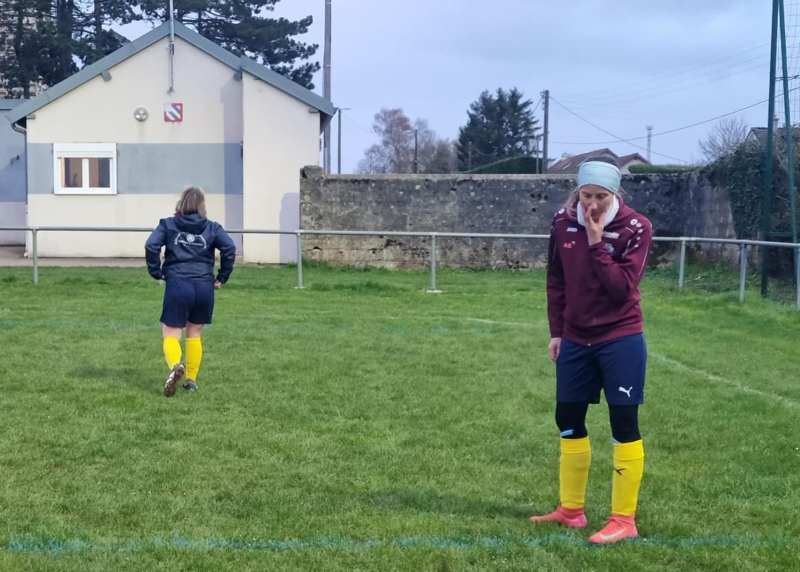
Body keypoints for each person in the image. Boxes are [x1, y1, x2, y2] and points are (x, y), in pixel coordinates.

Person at [530, 159, 652, 544]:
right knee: (567, 417)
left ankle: (624, 520)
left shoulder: (637, 227)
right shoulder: (562, 222)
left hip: (620, 336)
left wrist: (597, 242)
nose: (593, 204)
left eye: (601, 196)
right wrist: (557, 332)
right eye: (587, 196)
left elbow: (622, 289)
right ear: (577, 192)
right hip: (575, 337)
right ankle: (571, 510)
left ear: (615, 194)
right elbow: (556, 280)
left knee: (623, 423)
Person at [145, 187, 236, 397]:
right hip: (204, 286)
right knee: (194, 333)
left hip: (178, 284)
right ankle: (191, 380)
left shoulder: (168, 224)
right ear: (202, 205)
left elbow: (151, 245)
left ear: (181, 203)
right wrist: (222, 277)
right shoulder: (212, 227)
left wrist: (156, 272)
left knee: (170, 332)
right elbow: (230, 248)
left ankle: (176, 366)